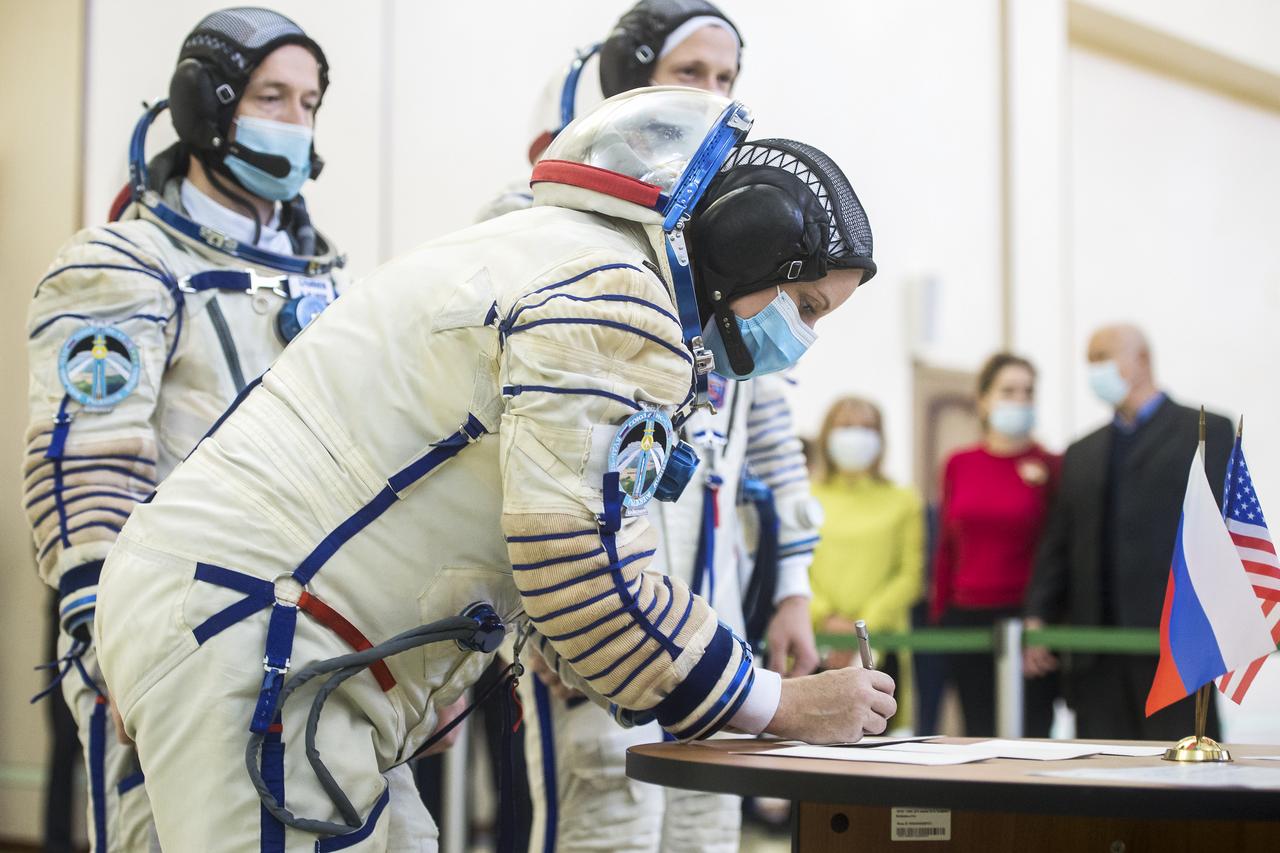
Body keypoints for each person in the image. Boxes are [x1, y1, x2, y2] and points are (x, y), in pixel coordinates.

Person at [94, 88, 894, 851]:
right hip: (255, 636)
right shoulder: (611, 296)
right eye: (808, 307)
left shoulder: (550, 249)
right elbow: (589, 577)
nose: (803, 338)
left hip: (227, 623)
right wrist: (781, 701)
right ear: (745, 244)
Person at [485, 6, 824, 851]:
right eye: (690, 74)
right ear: (628, 78)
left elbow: (770, 422)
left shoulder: (733, 232)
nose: (711, 94)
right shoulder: (537, 211)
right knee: (610, 816)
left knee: (711, 817)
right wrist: (541, 618)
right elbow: (506, 427)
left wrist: (791, 587)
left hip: (712, 585)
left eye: (725, 78)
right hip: (596, 574)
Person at [23, 8, 348, 850]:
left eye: (309, 102)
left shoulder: (329, 282)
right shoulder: (125, 265)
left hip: (317, 645)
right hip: (167, 647)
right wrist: (111, 652)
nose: (295, 122)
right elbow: (86, 471)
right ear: (206, 106)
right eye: (271, 96)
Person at [1024, 325, 1233, 739]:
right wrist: (1038, 614)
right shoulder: (1083, 452)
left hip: (1175, 650)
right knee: (1102, 779)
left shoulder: (1204, 432)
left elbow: (1219, 533)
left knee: (1183, 784)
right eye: (1090, 361)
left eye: (1104, 356)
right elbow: (1060, 543)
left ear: (1141, 361)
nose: (1095, 369)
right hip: (1096, 655)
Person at [929, 354, 1060, 736]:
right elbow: (947, 548)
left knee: (1032, 735)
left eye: (1027, 392)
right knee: (978, 732)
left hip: (1029, 620)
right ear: (984, 399)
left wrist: (1047, 622)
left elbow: (1059, 552)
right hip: (966, 617)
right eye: (1008, 391)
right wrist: (941, 618)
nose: (1019, 400)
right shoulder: (960, 464)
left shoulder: (1052, 465)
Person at [809, 397, 923, 690]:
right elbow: (792, 568)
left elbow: (910, 575)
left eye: (867, 427)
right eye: (846, 426)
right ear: (827, 434)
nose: (856, 435)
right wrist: (825, 617)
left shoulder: (903, 500)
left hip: (882, 642)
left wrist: (861, 628)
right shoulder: (804, 497)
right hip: (814, 641)